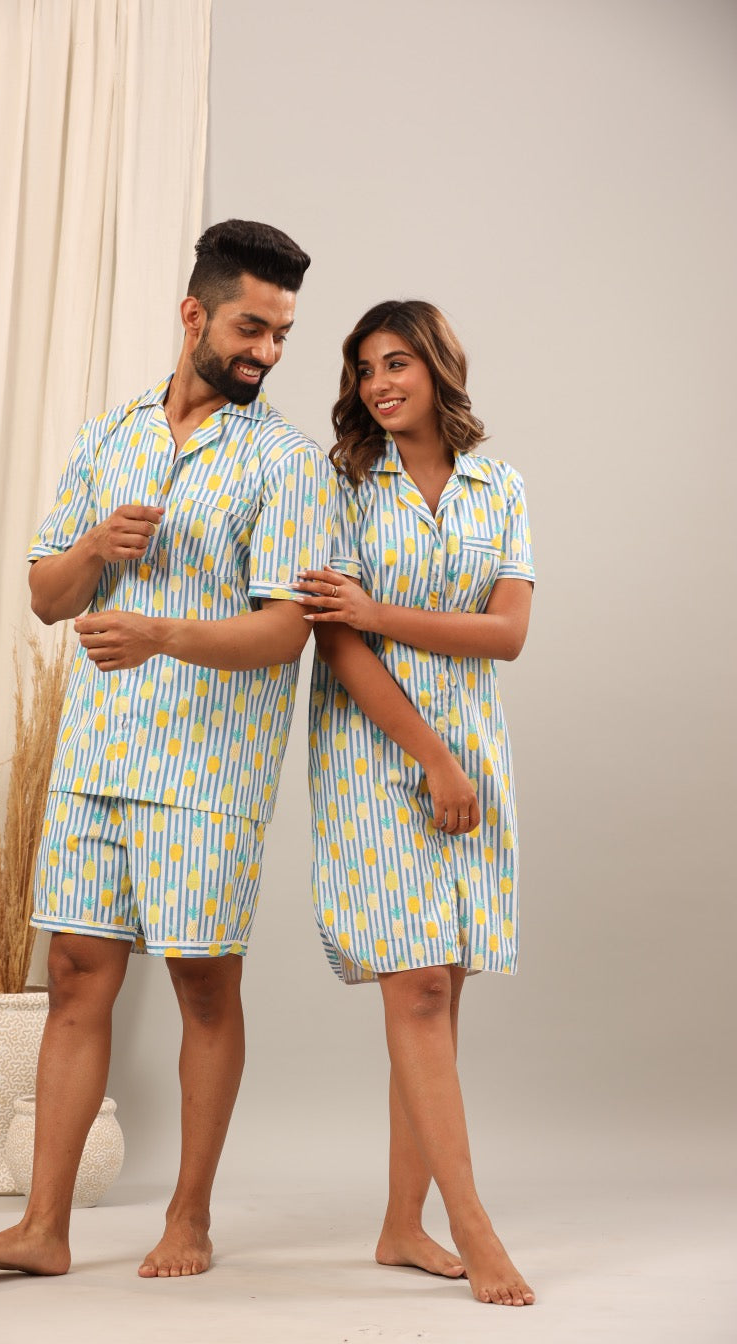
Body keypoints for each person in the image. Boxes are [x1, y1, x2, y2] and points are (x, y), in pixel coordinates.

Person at [0, 220, 334, 1278]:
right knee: (75, 977)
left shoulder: (287, 463)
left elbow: (286, 630)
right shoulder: (109, 436)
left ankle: (189, 1219)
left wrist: (160, 632)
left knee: (205, 987)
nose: (266, 351)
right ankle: (44, 1228)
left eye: (283, 333)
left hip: (207, 777)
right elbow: (45, 594)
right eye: (252, 326)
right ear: (193, 314)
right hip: (93, 763)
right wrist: (92, 549)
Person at [295, 299, 536, 1307]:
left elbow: (506, 633)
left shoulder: (499, 487)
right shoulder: (339, 485)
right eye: (361, 369)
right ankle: (471, 1227)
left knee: (438, 990)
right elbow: (339, 645)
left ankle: (402, 1223)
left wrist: (384, 610)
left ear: (437, 367)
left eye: (395, 363)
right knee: (418, 991)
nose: (378, 383)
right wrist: (430, 759)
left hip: (471, 762)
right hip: (373, 757)